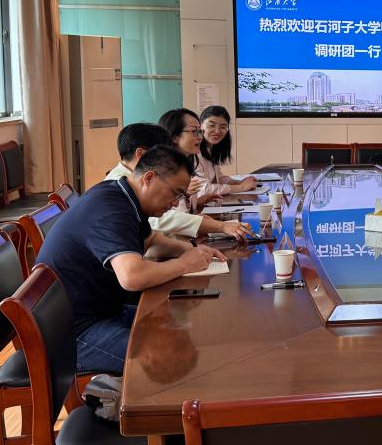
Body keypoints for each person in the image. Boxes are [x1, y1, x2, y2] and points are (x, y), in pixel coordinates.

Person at [36, 145, 226, 374]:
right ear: (149, 178)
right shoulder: (111, 208)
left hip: (104, 312)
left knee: (187, 328)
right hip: (73, 334)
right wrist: (185, 264)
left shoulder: (124, 196)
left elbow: (150, 239)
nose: (176, 203)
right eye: (175, 193)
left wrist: (190, 250)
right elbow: (132, 277)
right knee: (169, 357)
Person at [106, 122, 253, 240]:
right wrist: (220, 226)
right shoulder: (120, 182)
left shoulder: (134, 176)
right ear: (140, 154)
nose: (199, 137)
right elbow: (160, 221)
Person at [196, 105, 257, 199]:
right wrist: (241, 187)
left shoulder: (210, 148)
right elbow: (203, 189)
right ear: (200, 125)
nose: (217, 131)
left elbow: (218, 178)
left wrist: (238, 182)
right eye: (211, 125)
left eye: (223, 127)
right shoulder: (194, 151)